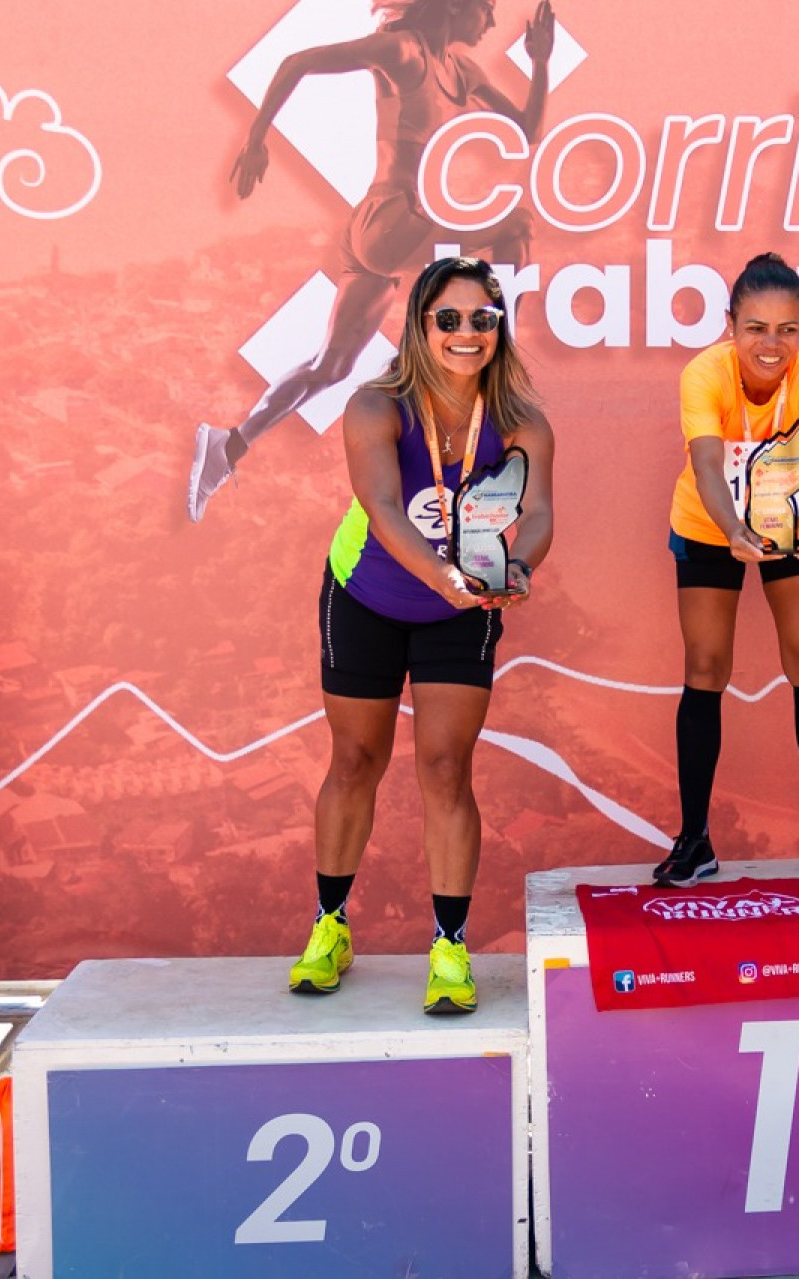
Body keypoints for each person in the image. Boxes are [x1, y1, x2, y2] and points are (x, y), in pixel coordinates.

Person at [287, 256, 553, 1013]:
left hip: (462, 609)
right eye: (449, 319)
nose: (466, 333)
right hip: (366, 594)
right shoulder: (376, 406)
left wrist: (518, 570)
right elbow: (382, 507)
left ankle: (449, 945)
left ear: (499, 329)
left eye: (482, 319)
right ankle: (329, 925)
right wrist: (448, 579)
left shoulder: (523, 420)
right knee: (357, 759)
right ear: (419, 327)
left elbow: (536, 516)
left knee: (445, 766)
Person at [189, 0, 557, 522]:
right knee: (516, 223)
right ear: (456, 5)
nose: (492, 23)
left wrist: (540, 63)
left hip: (387, 231)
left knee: (330, 365)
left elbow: (525, 132)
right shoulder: (404, 51)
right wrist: (255, 140)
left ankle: (227, 446)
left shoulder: (461, 72)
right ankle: (504, 365)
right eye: (487, 10)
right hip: (391, 220)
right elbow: (298, 61)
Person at [652, 252, 799, 889]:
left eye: (787, 329)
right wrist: (732, 532)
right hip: (708, 522)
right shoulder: (704, 374)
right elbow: (704, 464)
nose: (772, 344)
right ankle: (694, 840)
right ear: (730, 325)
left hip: (793, 522)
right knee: (705, 670)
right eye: (756, 328)